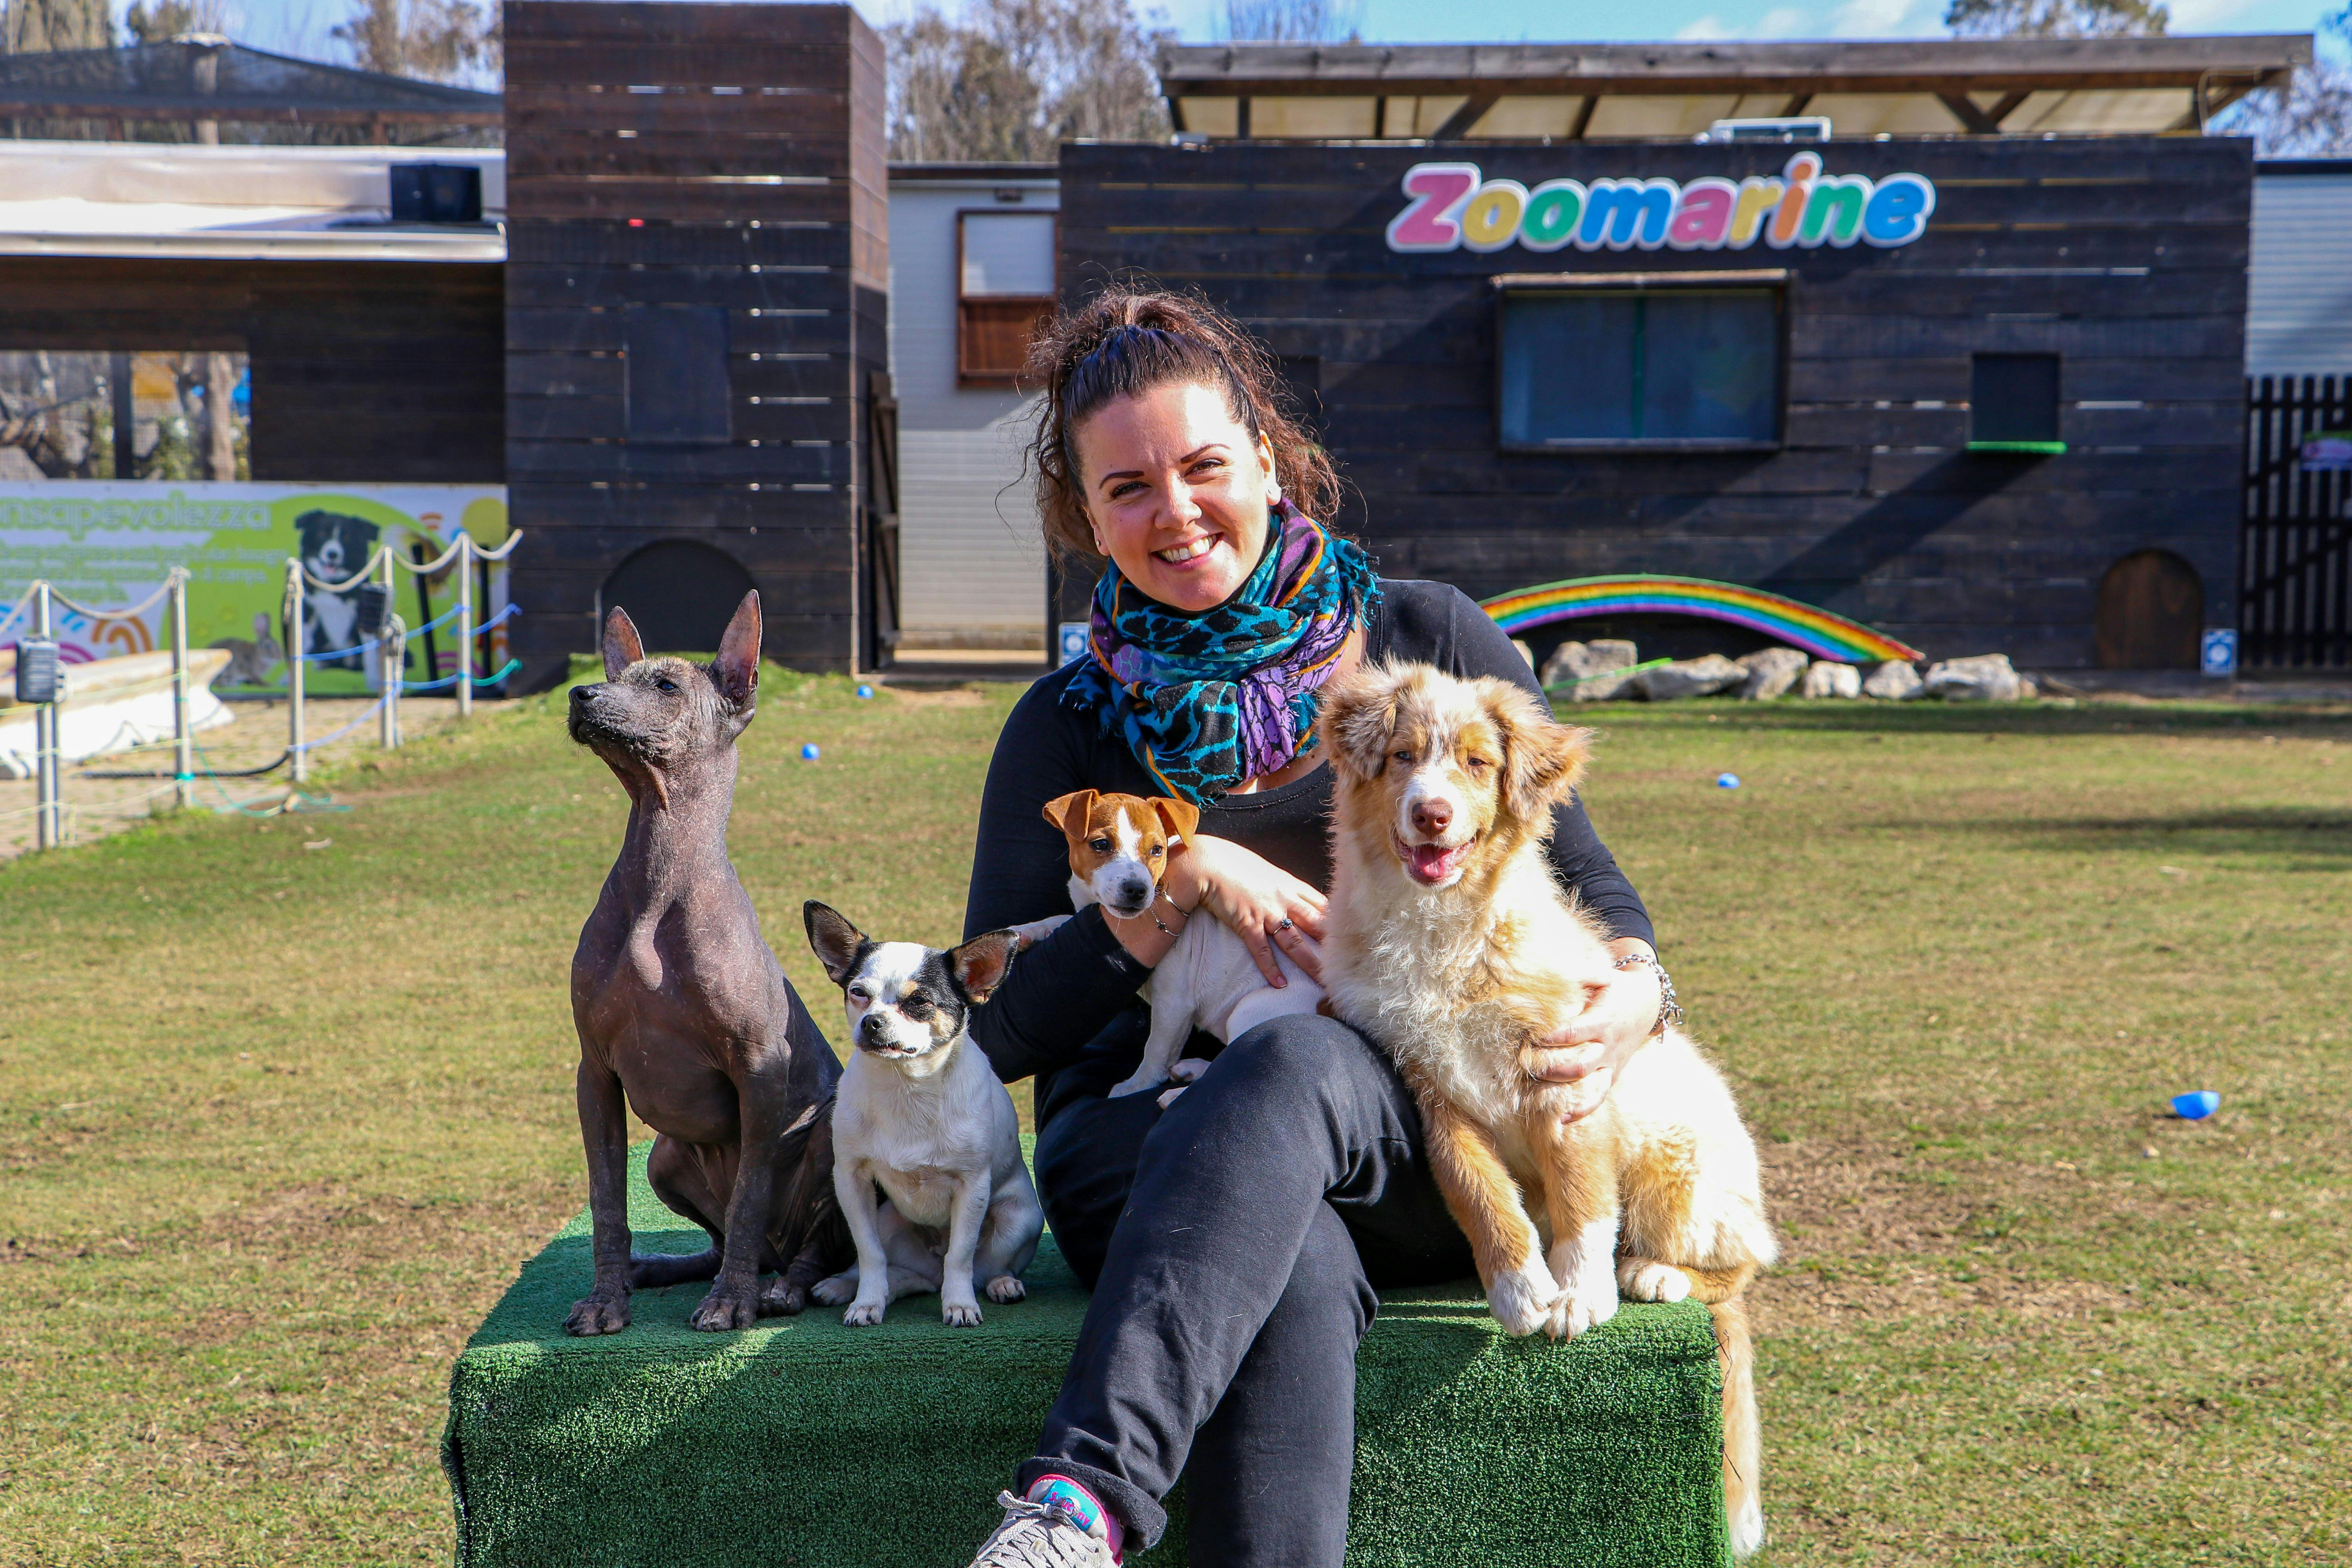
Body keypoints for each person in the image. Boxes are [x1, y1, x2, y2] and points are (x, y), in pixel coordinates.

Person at [953, 288, 1671, 1567]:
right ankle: (1075, 1520)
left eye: (1203, 466)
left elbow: (1594, 887)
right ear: (1086, 515)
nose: (1173, 511)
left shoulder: (1424, 636)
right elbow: (1000, 1029)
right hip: (1136, 1135)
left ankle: (1077, 1503)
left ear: (1268, 461)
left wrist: (1636, 992)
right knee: (1285, 1255)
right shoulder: (1063, 724)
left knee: (1289, 1062)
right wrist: (1179, 876)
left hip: (1411, 1126)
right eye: (1127, 488)